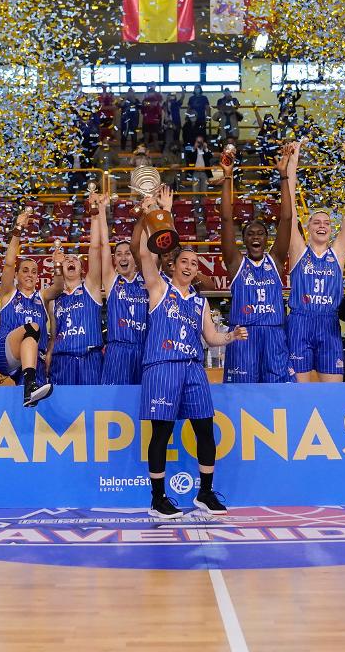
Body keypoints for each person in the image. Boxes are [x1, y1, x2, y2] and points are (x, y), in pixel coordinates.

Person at [134, 185, 248, 519]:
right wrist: (155, 215)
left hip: (193, 368)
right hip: (162, 365)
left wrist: (231, 336)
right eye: (184, 261)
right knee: (162, 432)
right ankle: (158, 499)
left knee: (205, 428)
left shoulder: (200, 302)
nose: (189, 266)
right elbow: (145, 254)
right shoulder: (159, 288)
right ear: (172, 265)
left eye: (194, 263)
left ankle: (205, 493)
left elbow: (211, 338)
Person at [285, 139, 345, 382]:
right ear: (308, 228)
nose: (322, 225)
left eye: (327, 223)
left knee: (333, 392)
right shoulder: (299, 250)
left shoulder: (337, 253)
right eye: (316, 222)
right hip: (299, 323)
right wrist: (292, 164)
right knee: (300, 393)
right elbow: (290, 212)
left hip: (329, 324)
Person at [218, 141, 292, 383]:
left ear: (267, 239)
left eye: (261, 233)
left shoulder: (276, 260)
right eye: (250, 234)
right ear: (244, 240)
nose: (256, 237)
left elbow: (287, 218)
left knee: (277, 394)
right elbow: (226, 219)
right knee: (242, 393)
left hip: (274, 335)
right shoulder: (235, 262)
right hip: (244, 335)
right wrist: (228, 177)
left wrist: (283, 176)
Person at [0, 208, 53, 405]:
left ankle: (29, 389)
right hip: (4, 352)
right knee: (33, 328)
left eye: (34, 272)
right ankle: (30, 386)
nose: (29, 274)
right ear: (17, 275)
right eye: (25, 270)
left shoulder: (42, 297)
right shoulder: (9, 293)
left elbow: (59, 287)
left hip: (30, 360)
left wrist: (58, 266)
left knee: (31, 339)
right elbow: (9, 264)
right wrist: (18, 229)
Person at [43, 193, 105, 386]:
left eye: (75, 260)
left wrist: (95, 215)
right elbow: (54, 335)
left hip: (90, 359)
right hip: (62, 361)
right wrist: (49, 355)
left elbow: (95, 249)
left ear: (82, 268)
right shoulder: (55, 300)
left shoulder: (91, 288)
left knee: (92, 404)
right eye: (67, 259)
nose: (70, 260)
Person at [98, 195, 148, 386]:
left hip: (144, 350)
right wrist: (101, 210)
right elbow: (104, 245)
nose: (123, 257)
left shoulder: (147, 280)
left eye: (128, 253)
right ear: (114, 260)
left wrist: (146, 214)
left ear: (135, 257)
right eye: (118, 254)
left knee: (142, 400)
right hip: (117, 351)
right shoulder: (112, 280)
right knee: (112, 399)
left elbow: (146, 250)